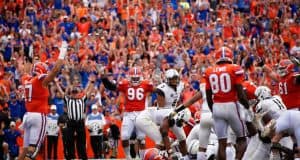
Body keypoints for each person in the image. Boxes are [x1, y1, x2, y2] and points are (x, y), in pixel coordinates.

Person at [18, 41, 68, 160]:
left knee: (25, 150)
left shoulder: (26, 79)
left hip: (28, 116)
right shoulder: (41, 81)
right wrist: (63, 52)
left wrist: (28, 58)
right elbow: (55, 70)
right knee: (33, 151)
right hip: (39, 116)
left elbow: (26, 69)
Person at [101, 67, 154, 159]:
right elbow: (111, 87)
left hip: (141, 114)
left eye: (137, 78)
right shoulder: (124, 83)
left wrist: (161, 82)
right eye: (133, 78)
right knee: (124, 137)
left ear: (140, 77)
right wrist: (103, 78)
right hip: (128, 114)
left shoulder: (146, 84)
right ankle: (128, 157)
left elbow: (158, 90)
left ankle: (142, 158)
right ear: (129, 77)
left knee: (141, 139)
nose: (135, 80)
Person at [136, 68, 188, 159]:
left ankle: (185, 157)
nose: (175, 81)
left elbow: (183, 87)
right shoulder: (162, 89)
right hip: (164, 112)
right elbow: (161, 106)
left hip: (173, 111)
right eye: (172, 79)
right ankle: (162, 155)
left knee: (182, 138)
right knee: (161, 140)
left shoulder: (180, 85)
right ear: (168, 79)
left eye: (176, 78)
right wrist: (170, 152)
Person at [55, 74, 94, 159]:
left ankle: (83, 158)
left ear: (78, 93)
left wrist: (92, 82)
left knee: (81, 142)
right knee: (69, 142)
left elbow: (89, 92)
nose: (74, 94)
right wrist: (56, 83)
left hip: (80, 123)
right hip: (71, 123)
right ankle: (70, 157)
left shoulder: (82, 99)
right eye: (73, 92)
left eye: (76, 92)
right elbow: (61, 93)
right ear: (71, 93)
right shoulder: (68, 100)